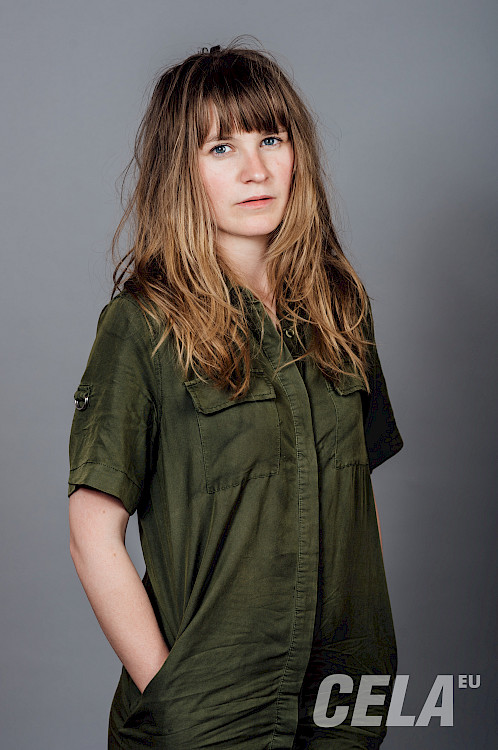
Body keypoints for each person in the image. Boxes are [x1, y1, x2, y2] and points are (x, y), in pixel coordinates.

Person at [68, 40, 403, 750]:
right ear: (180, 170)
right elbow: (91, 535)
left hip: (342, 709)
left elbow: (358, 494)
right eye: (221, 148)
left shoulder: (342, 310)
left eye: (271, 139)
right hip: (211, 719)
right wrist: (173, 698)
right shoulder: (143, 325)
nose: (256, 170)